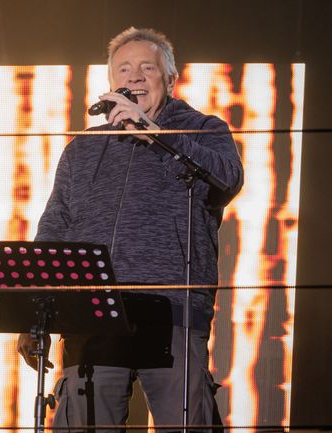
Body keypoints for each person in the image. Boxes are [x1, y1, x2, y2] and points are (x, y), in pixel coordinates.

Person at [17, 27, 244, 432]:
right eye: (124, 69)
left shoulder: (203, 130)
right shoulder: (83, 147)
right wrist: (36, 313)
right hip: (92, 314)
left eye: (146, 68)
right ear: (111, 82)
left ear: (170, 80)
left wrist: (156, 135)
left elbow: (227, 179)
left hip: (172, 312)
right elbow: (54, 229)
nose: (134, 76)